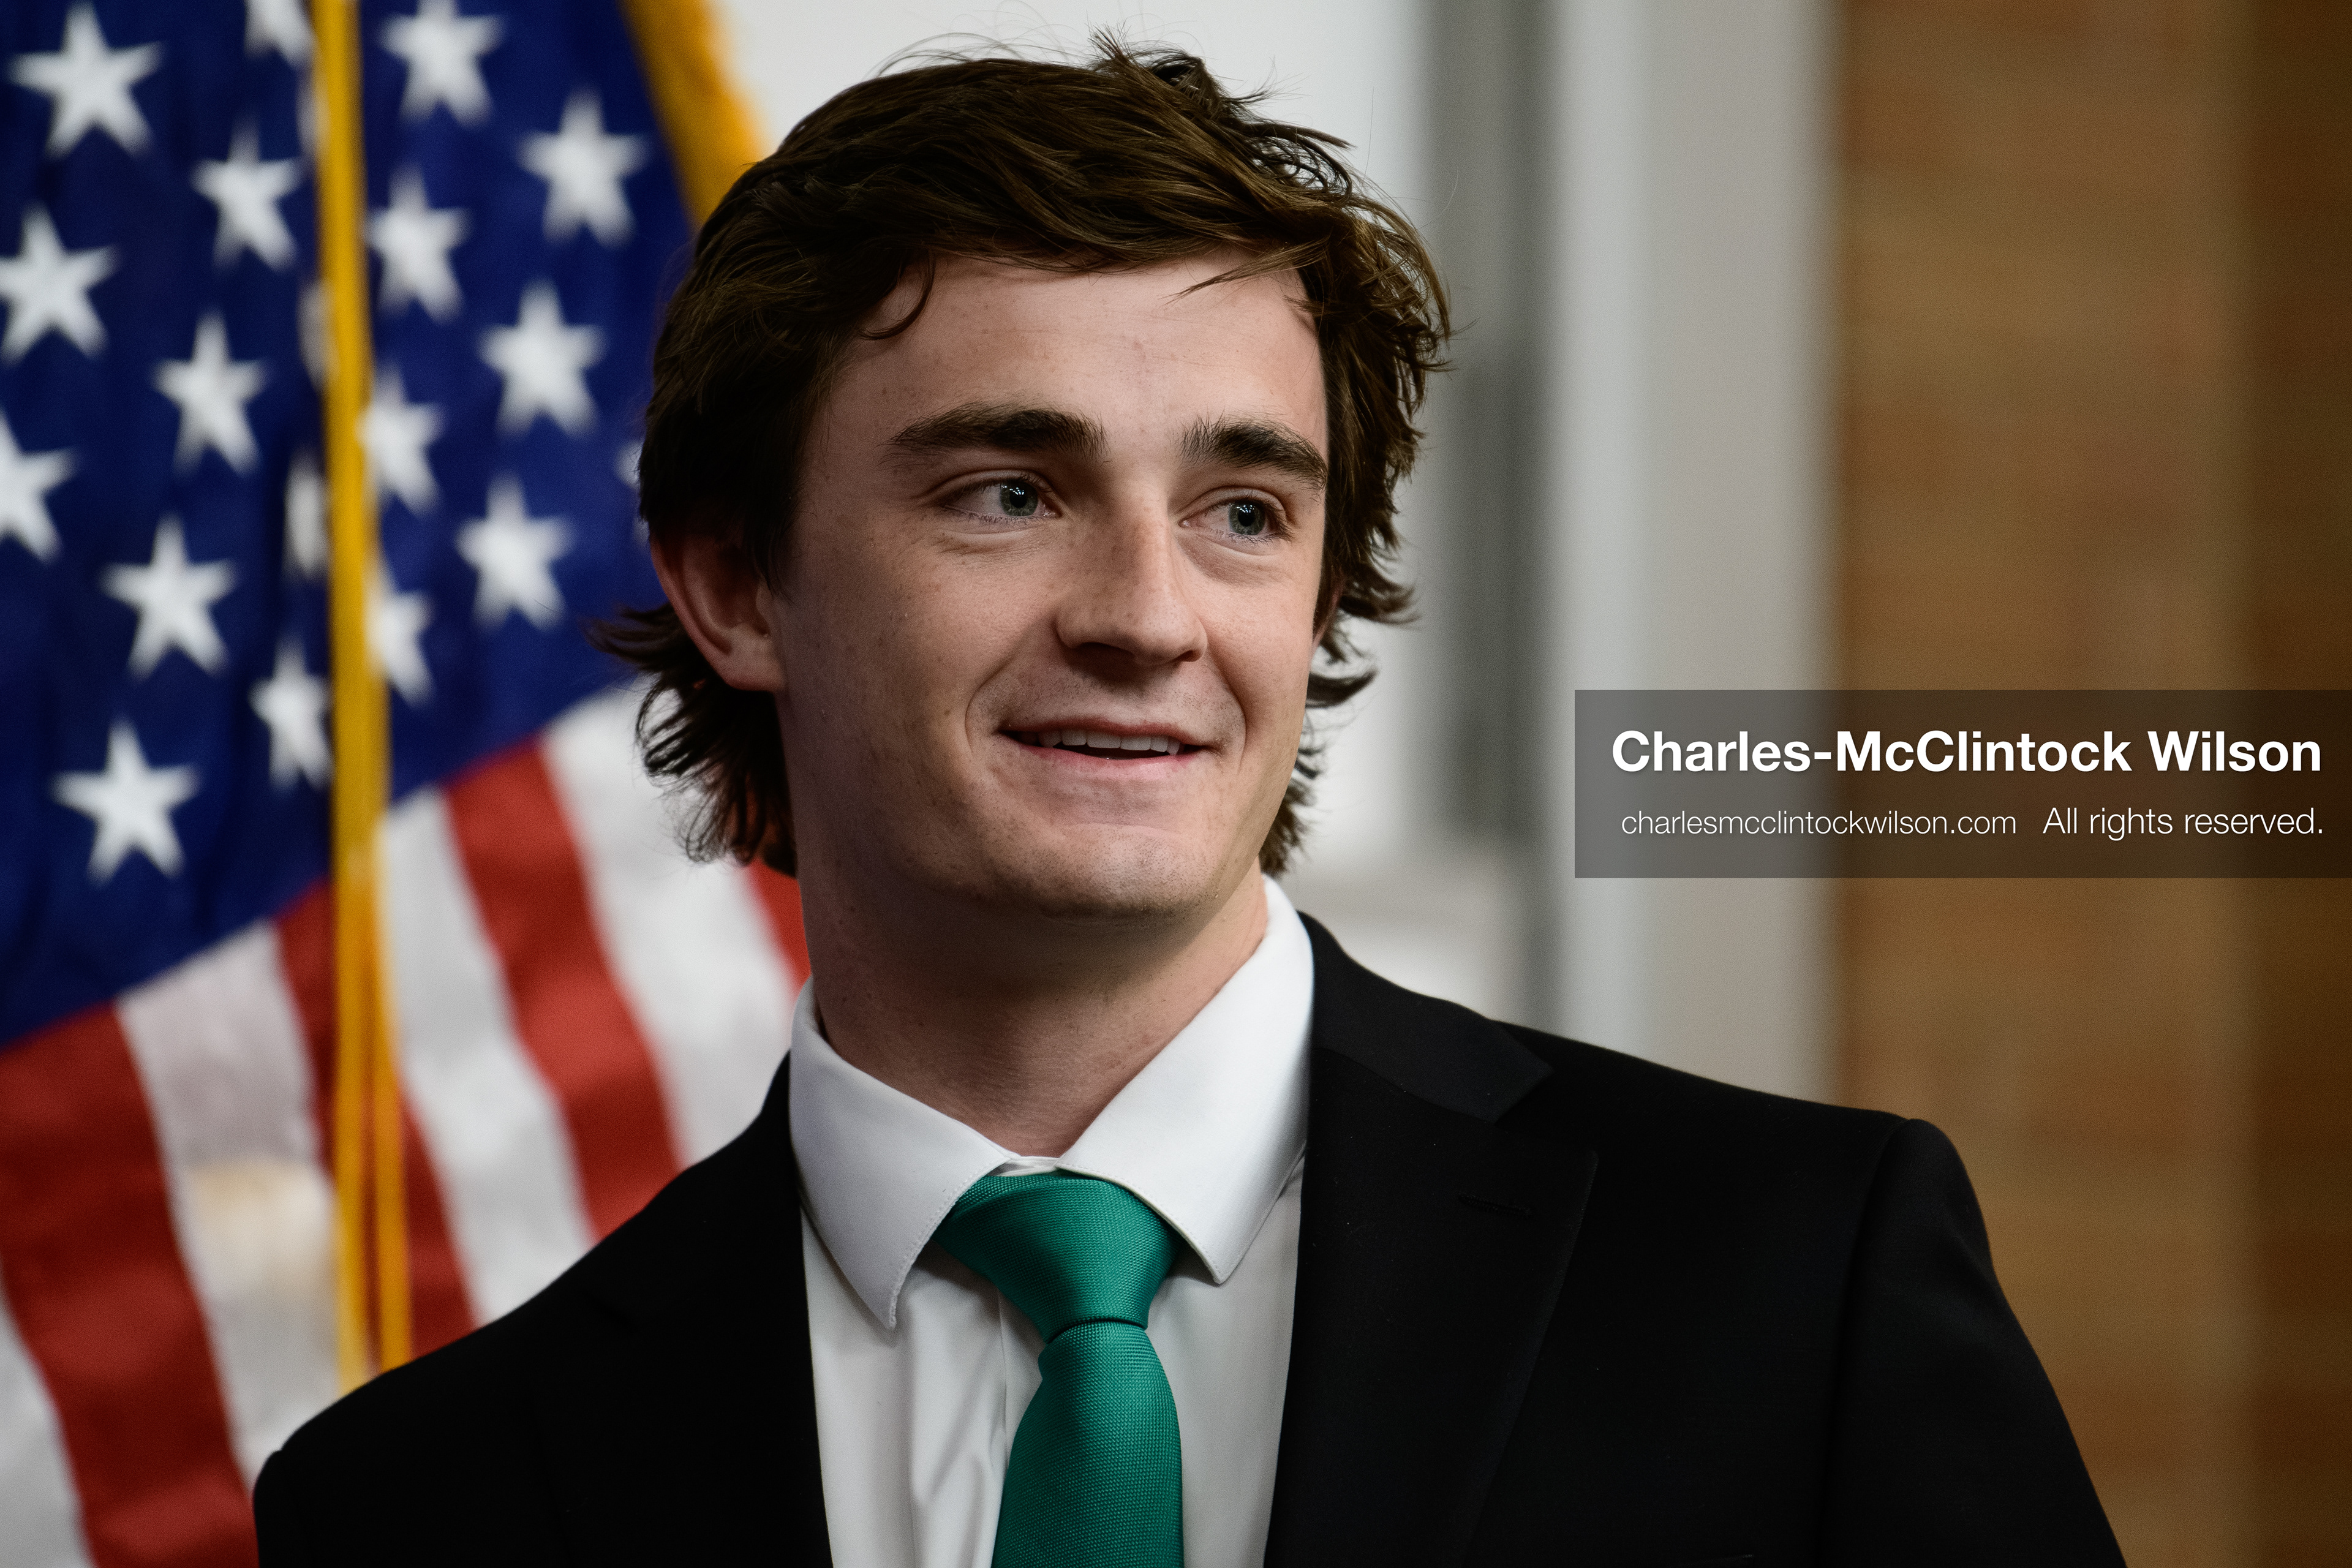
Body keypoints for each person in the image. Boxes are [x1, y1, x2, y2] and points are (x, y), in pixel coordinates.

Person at [255, 44, 2126, 1568]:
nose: (1150, 618)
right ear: (738, 587)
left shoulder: (1799, 1285)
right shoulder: (424, 1504)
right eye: (1008, 491)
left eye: (1245, 512)